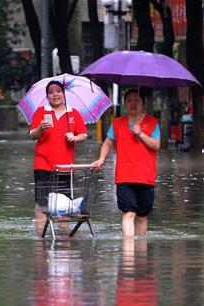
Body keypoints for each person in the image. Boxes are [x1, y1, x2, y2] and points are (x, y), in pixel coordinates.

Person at [91, 90, 161, 238]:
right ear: (125, 104)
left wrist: (141, 134)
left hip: (145, 175)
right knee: (129, 213)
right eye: (129, 100)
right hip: (125, 176)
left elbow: (156, 145)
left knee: (141, 216)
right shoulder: (117, 124)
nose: (133, 103)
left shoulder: (152, 123)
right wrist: (102, 158)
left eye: (136, 100)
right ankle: (128, 253)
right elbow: (107, 143)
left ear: (142, 103)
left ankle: (140, 254)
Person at [29, 80, 88, 223]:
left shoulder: (73, 113)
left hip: (66, 166)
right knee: (42, 203)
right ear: (47, 96)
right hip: (43, 164)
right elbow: (32, 135)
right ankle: (40, 241)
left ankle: (63, 242)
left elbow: (84, 135)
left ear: (63, 93)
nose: (55, 94)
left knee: (65, 205)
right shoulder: (41, 112)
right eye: (51, 92)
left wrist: (74, 137)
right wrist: (41, 128)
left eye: (58, 91)